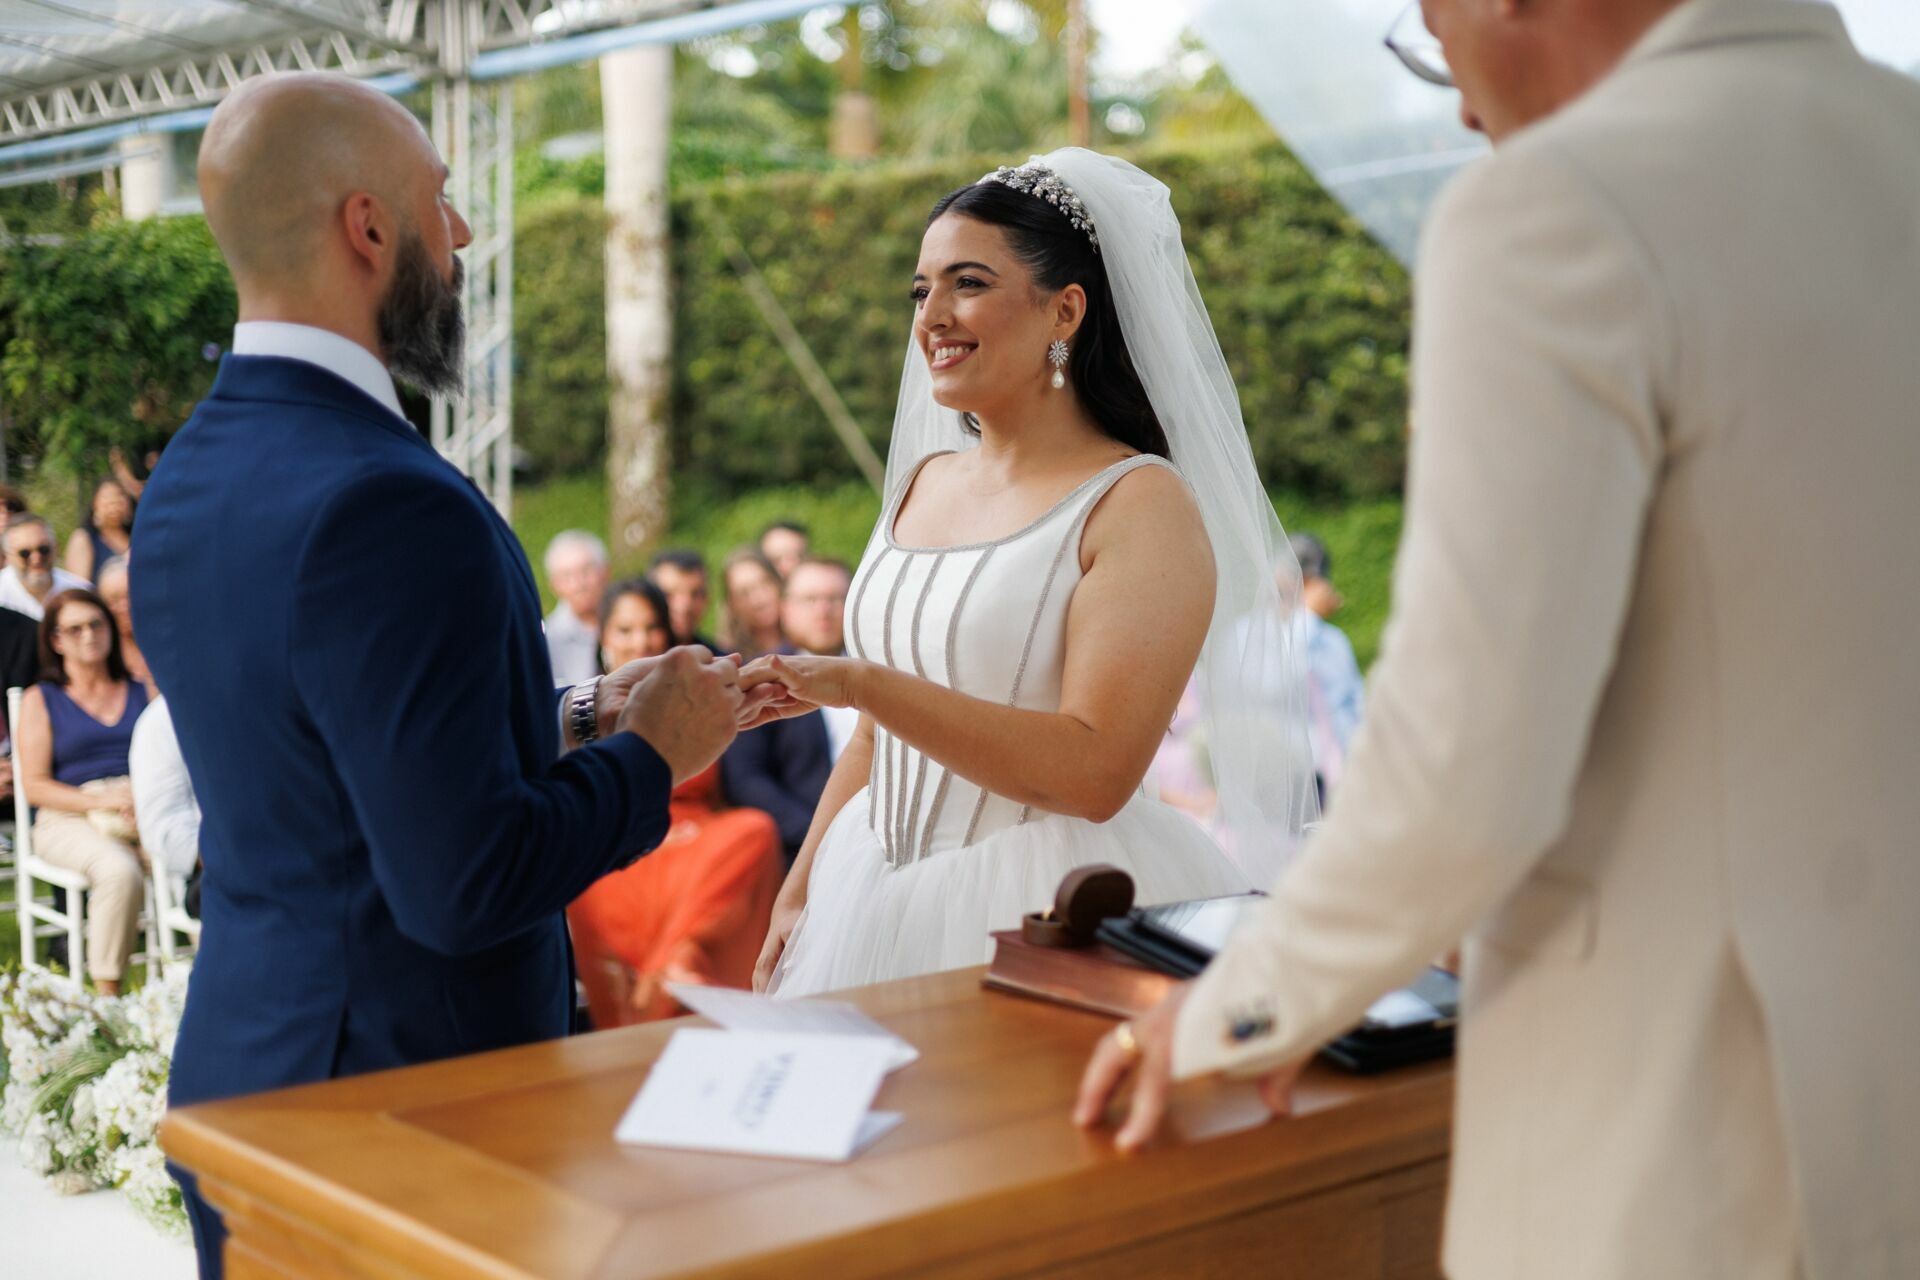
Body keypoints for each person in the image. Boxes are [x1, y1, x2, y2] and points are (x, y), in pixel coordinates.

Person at [1074, 4, 1920, 1279]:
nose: (1459, 103)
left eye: (1430, 30)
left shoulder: (1560, 208)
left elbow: (1466, 761)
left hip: (1690, 1116)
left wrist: (1236, 1009)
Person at [130, 73, 769, 1279]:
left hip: (247, 1070)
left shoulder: (188, 474)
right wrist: (653, 756)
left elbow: (330, 760)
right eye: (442, 201)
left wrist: (574, 713)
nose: (464, 234)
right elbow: (461, 881)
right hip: (400, 1113)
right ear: (369, 228)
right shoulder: (387, 498)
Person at [744, 151, 1318, 997]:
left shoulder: (1137, 503)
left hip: (1040, 903)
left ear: (1066, 309)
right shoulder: (918, 483)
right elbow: (875, 736)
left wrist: (862, 682)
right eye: (920, 289)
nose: (931, 316)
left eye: (967, 283)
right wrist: (800, 892)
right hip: (861, 884)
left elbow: (1096, 771)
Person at [568, 578, 783, 1024]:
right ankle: (657, 984)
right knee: (592, 880)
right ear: (604, 637)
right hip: (622, 827)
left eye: (650, 628)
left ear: (667, 633)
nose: (640, 640)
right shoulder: (580, 711)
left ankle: (676, 963)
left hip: (696, 836)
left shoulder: (696, 690)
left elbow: (735, 783)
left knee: (754, 832)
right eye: (625, 630)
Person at [14, 589, 149, 996]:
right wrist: (101, 801)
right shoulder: (42, 699)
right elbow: (35, 785)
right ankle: (109, 1003)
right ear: (56, 641)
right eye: (74, 629)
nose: (88, 635)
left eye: (96, 624)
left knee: (208, 855)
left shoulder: (143, 689)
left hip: (140, 804)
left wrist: (143, 802)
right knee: (118, 871)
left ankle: (212, 982)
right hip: (67, 813)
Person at [721, 557, 856, 860]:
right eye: (811, 599)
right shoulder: (760, 675)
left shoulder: (882, 670)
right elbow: (746, 778)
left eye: (835, 598)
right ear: (786, 608)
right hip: (805, 848)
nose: (824, 610)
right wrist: (815, 836)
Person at [1286, 532, 1364, 798]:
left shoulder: (1335, 640)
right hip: (1296, 780)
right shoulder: (1250, 635)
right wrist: (1306, 616)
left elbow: (1355, 702)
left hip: (1347, 775)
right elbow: (1281, 681)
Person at [542, 529, 610, 686]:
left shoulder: (636, 624)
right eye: (566, 576)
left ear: (606, 571)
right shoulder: (548, 640)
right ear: (553, 585)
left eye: (586, 571)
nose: (579, 584)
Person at [0, 515, 90, 620]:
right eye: (25, 553)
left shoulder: (80, 592)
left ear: (56, 548)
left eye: (43, 549)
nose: (36, 559)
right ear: (7, 557)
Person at [92, 556, 151, 694]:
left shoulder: (167, 639)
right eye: (114, 600)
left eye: (129, 596)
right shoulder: (100, 652)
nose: (125, 606)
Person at [64, 478, 136, 584]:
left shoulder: (138, 538)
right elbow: (80, 587)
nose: (114, 502)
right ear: (95, 504)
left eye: (120, 495)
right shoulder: (84, 539)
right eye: (106, 497)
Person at [718, 547, 785, 659]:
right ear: (732, 604)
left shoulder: (810, 645)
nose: (758, 599)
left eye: (764, 584)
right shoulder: (728, 659)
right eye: (744, 593)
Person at [649, 547, 718, 650]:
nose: (684, 606)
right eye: (669, 594)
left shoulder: (722, 661)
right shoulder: (628, 657)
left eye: (695, 594)